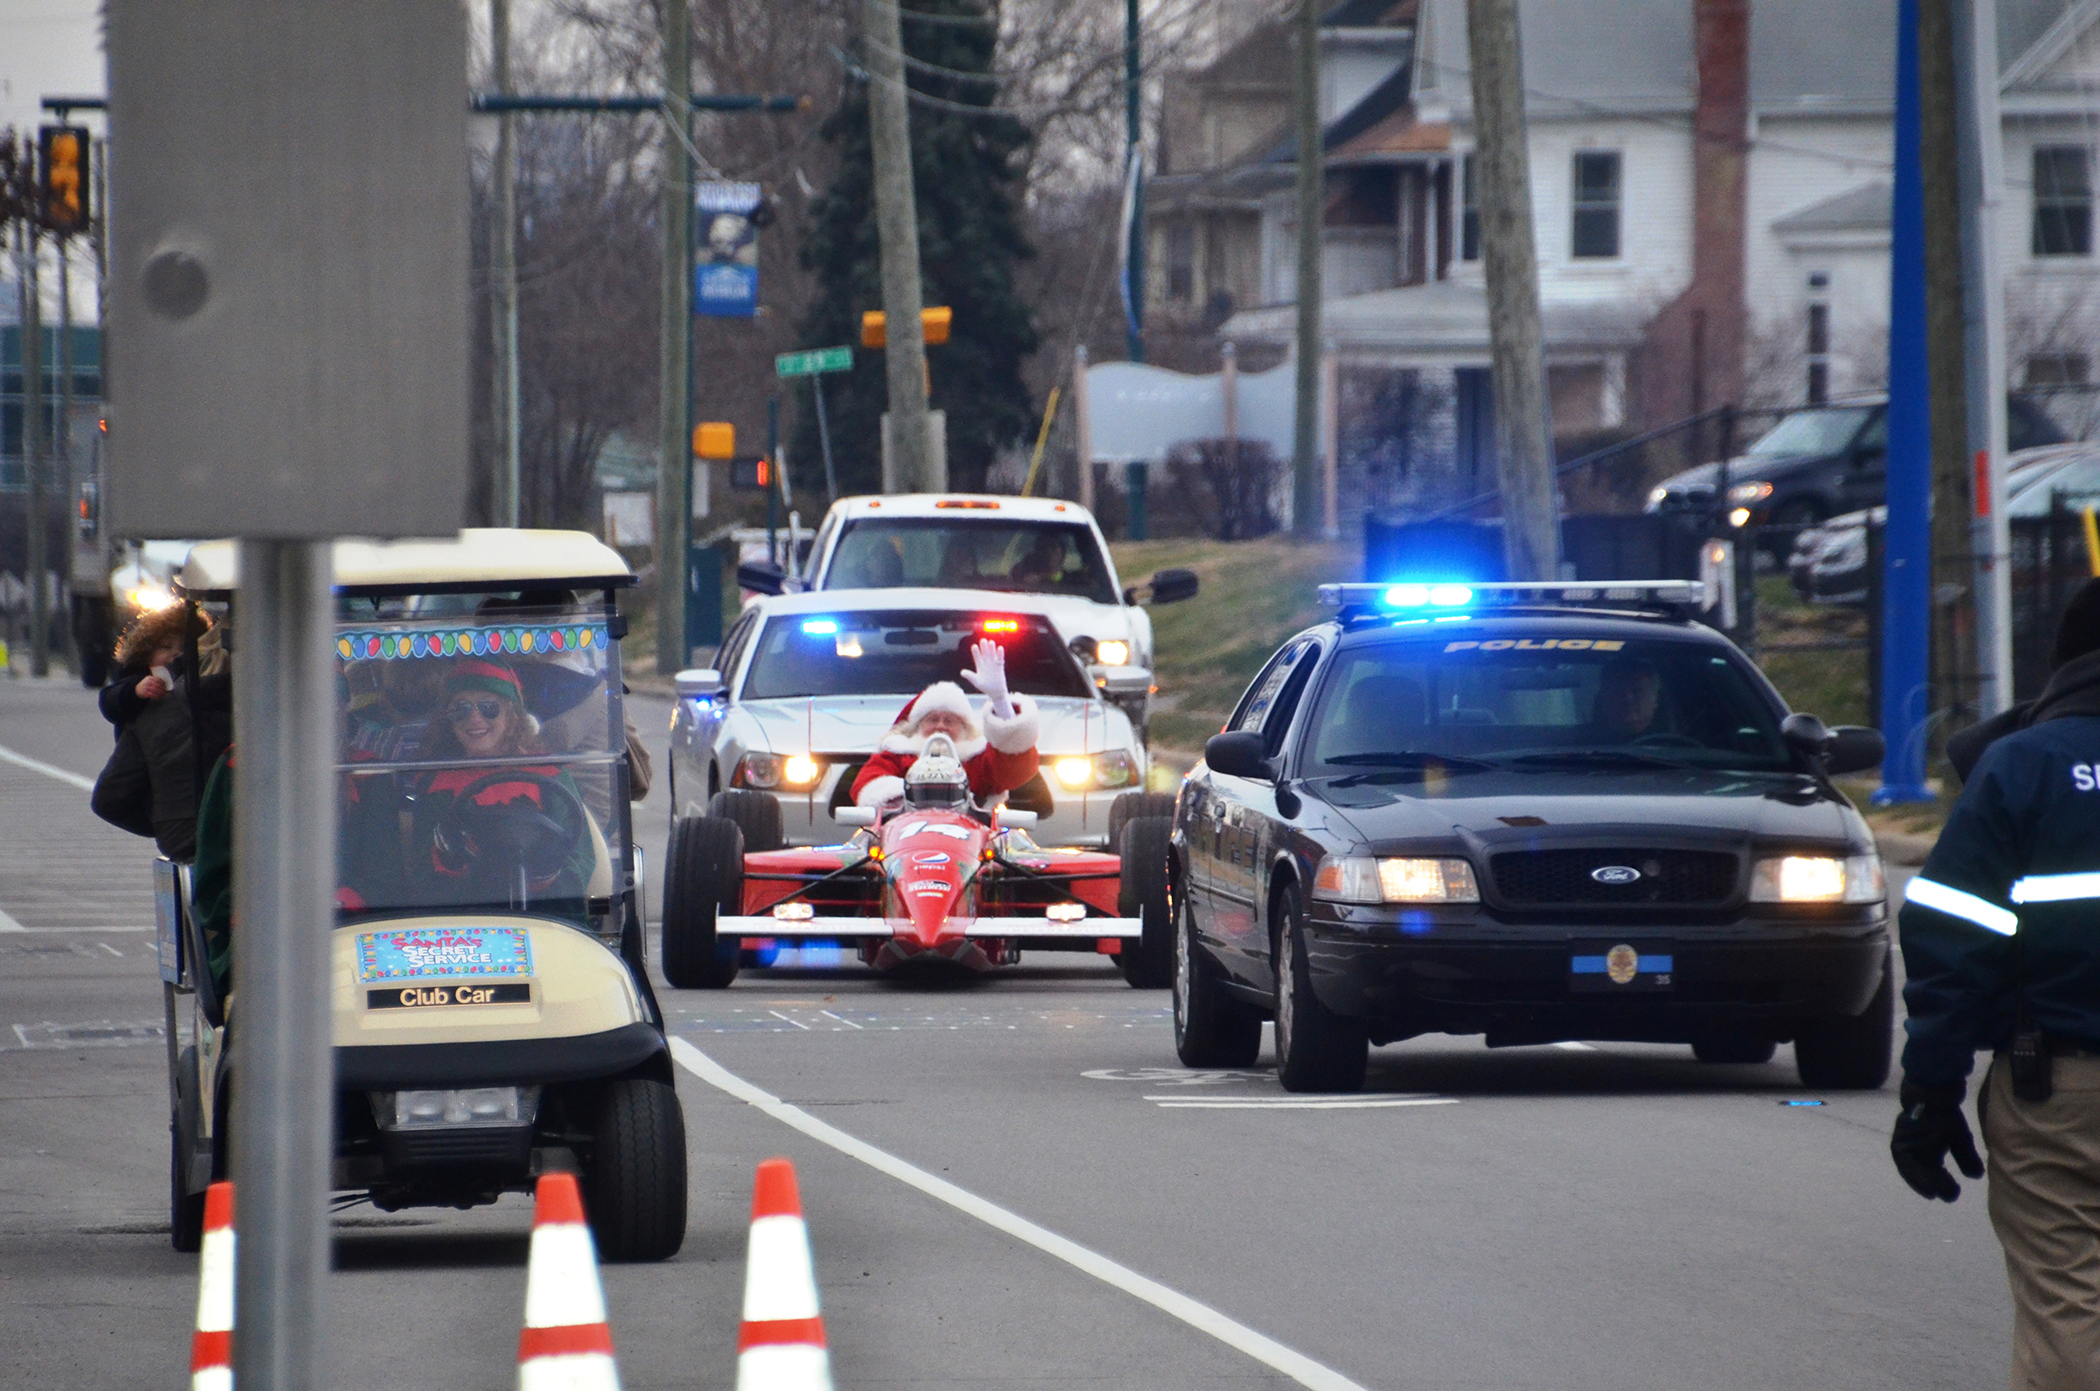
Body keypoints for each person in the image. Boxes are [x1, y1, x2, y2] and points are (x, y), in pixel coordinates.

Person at [1891, 578, 2100, 1389]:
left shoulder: (2020, 768)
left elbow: (1951, 943)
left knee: (2068, 1308)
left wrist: (1930, 1093)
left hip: (2061, 1093)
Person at [410, 659, 598, 914]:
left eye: (488, 708)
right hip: (464, 919)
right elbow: (423, 874)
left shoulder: (551, 776)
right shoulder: (436, 784)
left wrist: (545, 878)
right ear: (448, 719)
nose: (474, 718)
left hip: (544, 915)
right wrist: (449, 857)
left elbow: (580, 858)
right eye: (460, 709)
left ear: (512, 713)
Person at [850, 638, 1038, 809]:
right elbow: (867, 784)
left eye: (950, 720)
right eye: (932, 719)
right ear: (917, 726)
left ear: (965, 728)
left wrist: (1001, 701)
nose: (941, 726)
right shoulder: (898, 756)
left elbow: (1016, 766)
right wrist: (908, 796)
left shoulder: (977, 761)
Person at [1590, 657, 1661, 741]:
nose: (1627, 698)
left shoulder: (1674, 745)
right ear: (1603, 698)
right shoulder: (1578, 745)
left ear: (1655, 699)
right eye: (1617, 690)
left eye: (1637, 690)